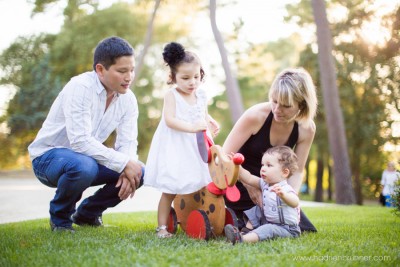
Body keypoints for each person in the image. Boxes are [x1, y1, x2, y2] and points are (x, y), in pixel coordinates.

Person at [28, 36, 144, 233]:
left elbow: (128, 141)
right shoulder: (80, 87)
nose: (129, 77)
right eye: (122, 71)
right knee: (84, 166)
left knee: (139, 171)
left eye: (131, 70)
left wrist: (129, 165)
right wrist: (124, 163)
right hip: (47, 159)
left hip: (85, 159)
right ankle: (61, 220)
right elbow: (80, 141)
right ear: (100, 70)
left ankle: (87, 214)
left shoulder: (128, 99)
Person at [223, 67, 318, 232]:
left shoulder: (306, 129)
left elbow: (297, 171)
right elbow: (223, 158)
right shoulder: (255, 116)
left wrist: (288, 197)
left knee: (301, 229)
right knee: (247, 225)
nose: (277, 109)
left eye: (286, 106)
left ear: (301, 105)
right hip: (239, 183)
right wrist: (249, 184)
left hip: (272, 191)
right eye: (274, 101)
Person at [144, 42, 219, 238]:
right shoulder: (172, 95)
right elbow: (170, 120)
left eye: (196, 76)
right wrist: (192, 127)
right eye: (185, 78)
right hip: (177, 146)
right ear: (173, 77)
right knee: (171, 187)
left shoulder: (201, 94)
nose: (192, 82)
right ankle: (162, 228)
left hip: (197, 145)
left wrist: (210, 120)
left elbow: (202, 113)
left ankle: (202, 217)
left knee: (203, 180)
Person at [224, 146, 301, 244]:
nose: (263, 168)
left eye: (269, 165)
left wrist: (284, 195)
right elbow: (249, 178)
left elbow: (295, 202)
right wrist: (238, 166)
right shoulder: (264, 184)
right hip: (269, 221)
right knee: (256, 210)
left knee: (269, 229)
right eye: (262, 165)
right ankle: (246, 231)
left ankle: (241, 239)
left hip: (287, 229)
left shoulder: (285, 189)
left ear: (284, 172)